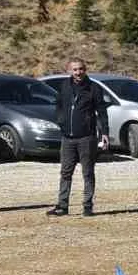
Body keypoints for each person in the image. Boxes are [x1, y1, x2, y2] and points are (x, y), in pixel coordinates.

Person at [48, 57, 109, 217]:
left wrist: (105, 133)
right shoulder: (64, 86)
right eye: (75, 69)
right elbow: (59, 105)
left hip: (86, 137)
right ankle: (62, 206)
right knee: (65, 172)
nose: (78, 72)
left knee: (88, 172)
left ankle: (87, 206)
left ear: (85, 69)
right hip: (67, 138)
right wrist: (61, 121)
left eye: (81, 69)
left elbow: (102, 112)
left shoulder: (94, 88)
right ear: (70, 70)